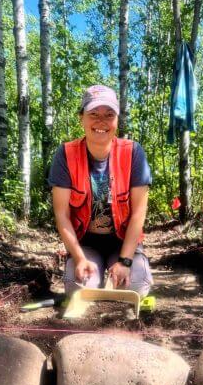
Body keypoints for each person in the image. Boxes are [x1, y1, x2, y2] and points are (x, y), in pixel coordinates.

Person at [49, 84, 153, 296]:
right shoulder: (65, 155)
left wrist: (125, 261)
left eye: (109, 114)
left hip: (123, 241)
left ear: (116, 120)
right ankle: (90, 271)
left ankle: (123, 266)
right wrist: (79, 258)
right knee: (77, 288)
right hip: (86, 242)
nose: (101, 121)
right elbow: (61, 215)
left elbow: (138, 214)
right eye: (93, 114)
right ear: (82, 118)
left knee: (136, 287)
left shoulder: (133, 153)